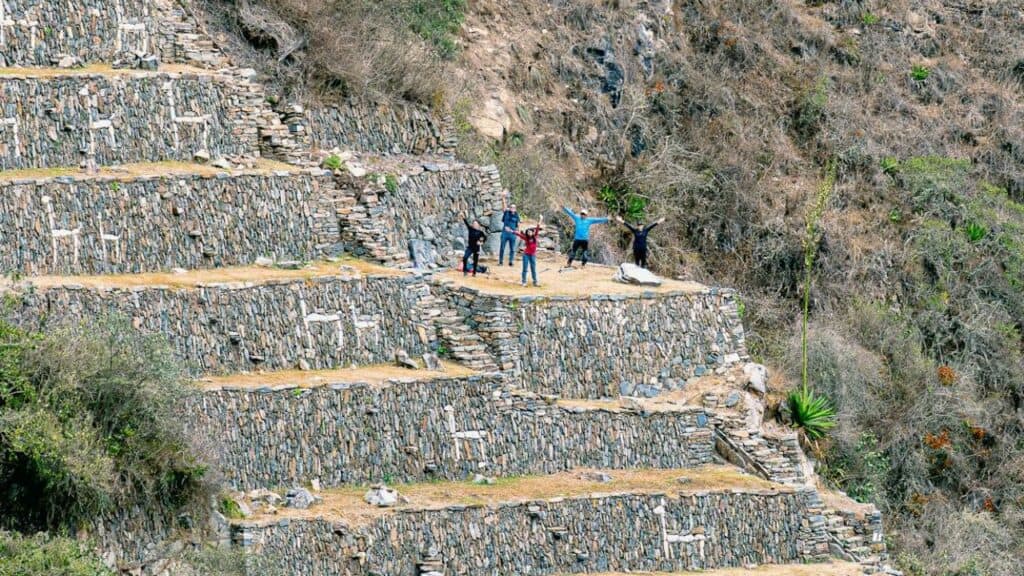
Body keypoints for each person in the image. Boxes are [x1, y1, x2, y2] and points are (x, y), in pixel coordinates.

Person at [511, 215, 544, 286]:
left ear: (532, 232)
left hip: (532, 255)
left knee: (533, 269)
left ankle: (535, 282)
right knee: (525, 269)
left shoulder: (535, 237)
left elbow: (538, 227)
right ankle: (524, 282)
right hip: (526, 255)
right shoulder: (526, 238)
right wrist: (512, 231)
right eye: (528, 232)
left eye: (530, 232)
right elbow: (519, 234)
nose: (529, 233)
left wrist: (540, 219)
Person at [498, 192, 520, 267]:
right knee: (502, 247)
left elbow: (517, 225)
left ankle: (511, 261)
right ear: (510, 208)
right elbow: (504, 207)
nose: (512, 208)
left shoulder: (517, 215)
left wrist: (516, 233)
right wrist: (503, 198)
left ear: (515, 209)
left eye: (514, 207)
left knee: (512, 249)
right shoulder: (507, 212)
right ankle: (500, 261)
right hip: (505, 233)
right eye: (511, 207)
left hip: (512, 234)